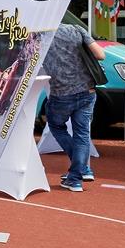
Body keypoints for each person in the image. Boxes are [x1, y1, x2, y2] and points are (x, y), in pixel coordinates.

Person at [42, 23, 105, 191]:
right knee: (82, 134)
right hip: (87, 90)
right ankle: (81, 170)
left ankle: (77, 175)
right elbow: (100, 55)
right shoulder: (76, 29)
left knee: (56, 126)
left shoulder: (39, 34)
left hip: (61, 92)